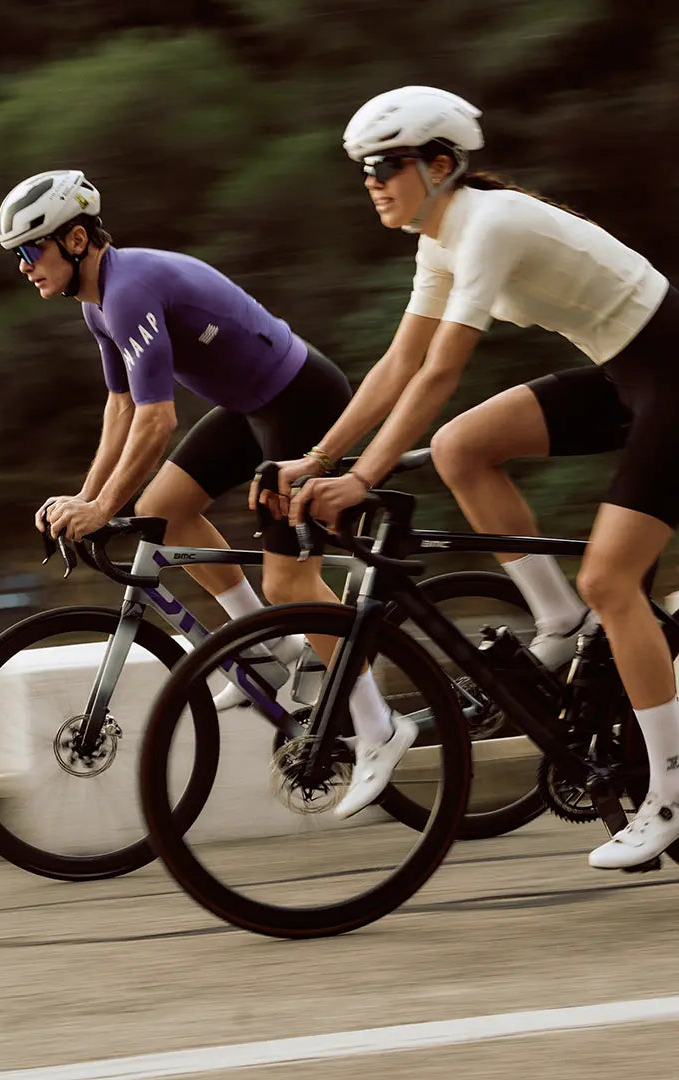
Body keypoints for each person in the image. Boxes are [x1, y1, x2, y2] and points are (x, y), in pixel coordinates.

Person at [272, 85, 679, 868]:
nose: (373, 183)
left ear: (440, 165)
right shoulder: (438, 239)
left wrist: (363, 479)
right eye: (364, 170)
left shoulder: (488, 224)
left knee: (611, 580)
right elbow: (399, 363)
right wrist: (320, 460)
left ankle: (669, 792)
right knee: (460, 448)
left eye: (386, 166)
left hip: (675, 375)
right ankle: (559, 620)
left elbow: (440, 373)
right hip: (623, 375)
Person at [0, 168, 411, 744]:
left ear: (76, 239)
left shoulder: (128, 292)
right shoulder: (98, 304)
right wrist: (87, 496)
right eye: (17, 256)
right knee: (163, 511)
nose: (23, 267)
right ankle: (264, 650)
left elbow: (157, 418)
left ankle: (378, 726)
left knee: (289, 585)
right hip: (252, 406)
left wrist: (103, 507)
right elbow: (120, 405)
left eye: (30, 250)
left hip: (301, 402)